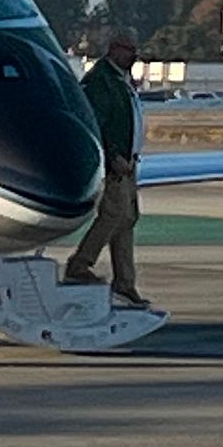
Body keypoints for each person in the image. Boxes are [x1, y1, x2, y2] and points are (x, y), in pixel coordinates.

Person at [62, 25, 150, 308]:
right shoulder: (101, 82)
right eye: (128, 51)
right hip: (116, 164)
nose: (133, 56)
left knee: (127, 220)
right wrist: (113, 155)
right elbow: (97, 122)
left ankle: (125, 283)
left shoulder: (122, 79)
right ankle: (80, 264)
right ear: (114, 50)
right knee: (113, 216)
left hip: (129, 162)